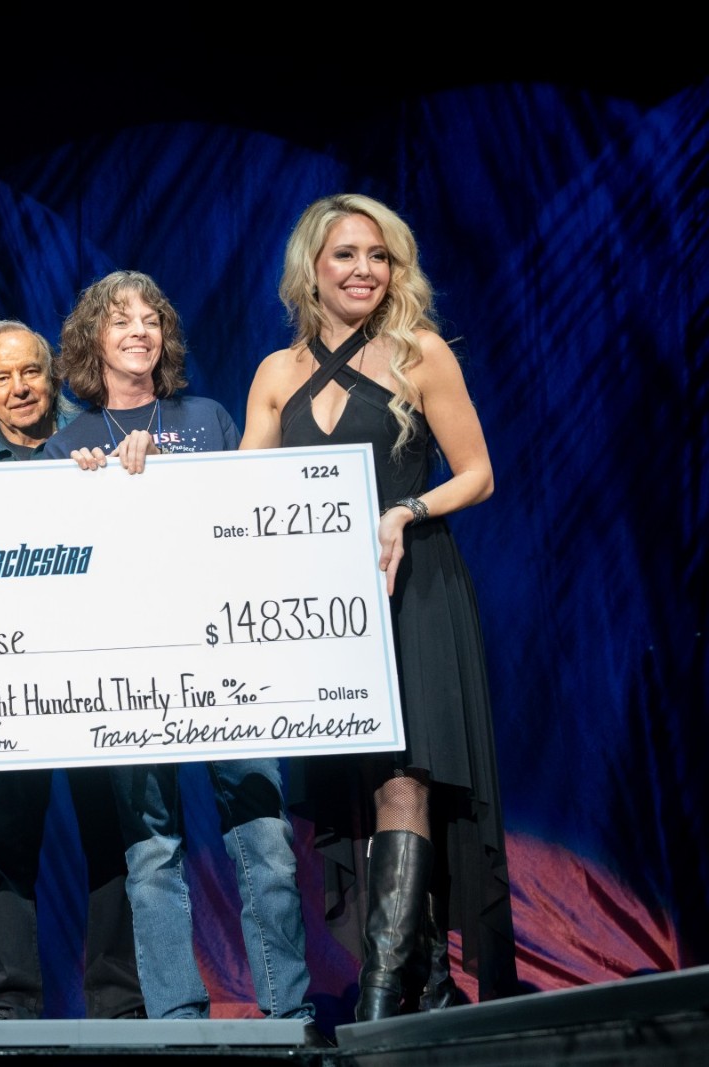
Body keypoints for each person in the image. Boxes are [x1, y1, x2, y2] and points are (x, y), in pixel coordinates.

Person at [239, 193, 518, 1020]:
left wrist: (407, 510)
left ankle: (376, 1001)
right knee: (360, 794)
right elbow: (240, 494)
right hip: (327, 609)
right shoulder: (276, 373)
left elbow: (478, 472)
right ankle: (426, 984)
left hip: (415, 589)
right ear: (311, 268)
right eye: (346, 254)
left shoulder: (418, 352)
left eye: (379, 256)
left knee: (404, 781)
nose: (364, 270)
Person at [44, 271, 320, 1036]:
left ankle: (287, 1010)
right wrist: (88, 494)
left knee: (264, 835)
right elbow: (63, 569)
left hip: (225, 656)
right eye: (121, 320)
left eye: (151, 319)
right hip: (129, 668)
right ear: (92, 340)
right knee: (151, 847)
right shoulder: (67, 446)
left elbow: (250, 523)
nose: (139, 331)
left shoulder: (208, 417)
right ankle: (176, 1019)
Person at [0, 320, 143, 1020]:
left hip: (98, 673)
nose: (19, 387)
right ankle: (10, 1005)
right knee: (6, 845)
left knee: (113, 839)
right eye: (1, 378)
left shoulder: (98, 435)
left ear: (53, 374)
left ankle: (119, 1003)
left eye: (30, 370)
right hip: (7, 680)